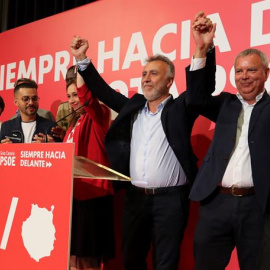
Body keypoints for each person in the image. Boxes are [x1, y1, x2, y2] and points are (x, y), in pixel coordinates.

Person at [69, 21, 215, 270]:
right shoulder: (133, 107)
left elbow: (200, 91)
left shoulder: (181, 108)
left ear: (169, 81)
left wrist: (202, 51)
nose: (146, 79)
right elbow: (103, 92)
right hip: (135, 199)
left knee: (165, 263)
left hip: (170, 201)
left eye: (154, 74)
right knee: (131, 260)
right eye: (144, 74)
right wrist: (82, 58)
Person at [186, 12, 270, 270]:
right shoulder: (225, 104)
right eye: (239, 71)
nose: (244, 76)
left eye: (251, 70)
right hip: (216, 203)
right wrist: (203, 48)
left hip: (257, 207)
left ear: (266, 73)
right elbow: (196, 98)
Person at [51, 66, 115, 270]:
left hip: (93, 197)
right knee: (72, 257)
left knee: (89, 260)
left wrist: (81, 63)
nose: (72, 99)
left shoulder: (99, 115)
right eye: (69, 96)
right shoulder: (71, 125)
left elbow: (88, 100)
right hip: (73, 199)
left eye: (76, 94)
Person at [0, 78, 58, 143]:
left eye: (34, 98)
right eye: (26, 99)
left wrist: (51, 146)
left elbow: (61, 151)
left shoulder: (50, 126)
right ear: (16, 102)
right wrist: (3, 149)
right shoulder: (6, 127)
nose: (31, 102)